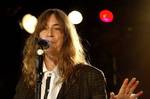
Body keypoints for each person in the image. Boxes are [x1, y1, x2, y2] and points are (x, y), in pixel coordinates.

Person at [13, 8, 143, 99]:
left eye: (56, 28)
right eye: (44, 28)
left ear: (66, 37)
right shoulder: (27, 80)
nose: (49, 34)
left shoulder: (90, 76)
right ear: (38, 36)